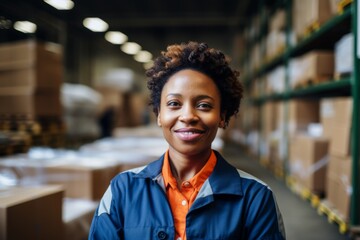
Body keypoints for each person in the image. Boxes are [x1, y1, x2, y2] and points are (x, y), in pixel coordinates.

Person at [88, 41, 286, 240]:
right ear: (159, 115)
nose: (188, 116)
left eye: (204, 105)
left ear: (222, 116)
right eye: (174, 104)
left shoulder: (256, 198)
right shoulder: (122, 191)